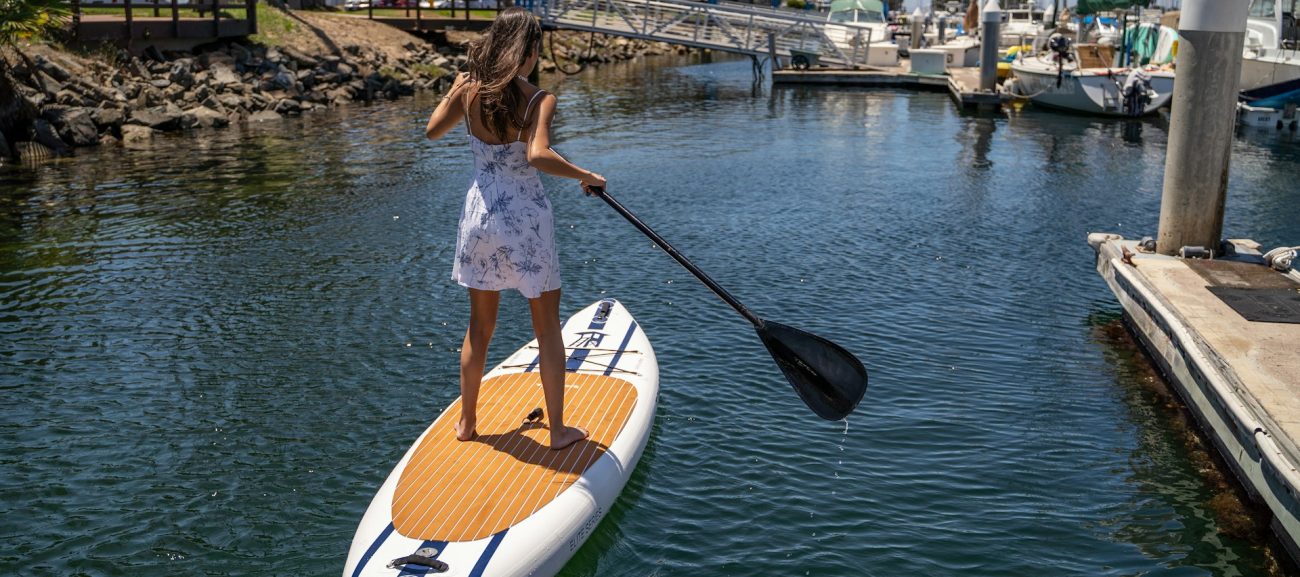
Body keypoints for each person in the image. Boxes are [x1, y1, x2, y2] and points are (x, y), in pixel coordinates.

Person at [423, 7, 605, 450]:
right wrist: (586, 175)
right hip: (524, 219)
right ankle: (557, 430)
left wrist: (451, 93)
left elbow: (431, 132)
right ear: (528, 51)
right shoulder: (539, 98)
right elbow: (538, 155)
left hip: (480, 215)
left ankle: (467, 423)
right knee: (547, 328)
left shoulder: (469, 90)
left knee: (479, 328)